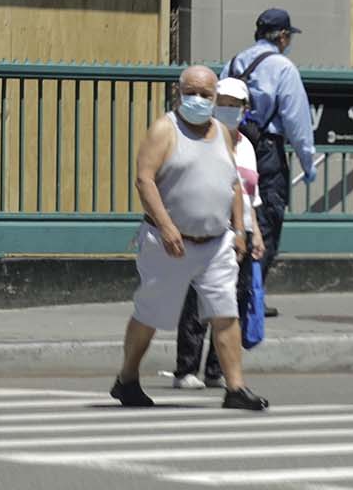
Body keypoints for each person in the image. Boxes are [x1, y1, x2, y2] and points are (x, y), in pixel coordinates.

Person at [111, 65, 269, 412]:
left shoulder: (224, 134)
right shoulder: (165, 130)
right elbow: (145, 179)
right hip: (170, 242)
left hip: (215, 243)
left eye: (205, 94)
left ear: (214, 98)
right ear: (178, 93)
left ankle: (236, 388)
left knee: (225, 312)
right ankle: (127, 379)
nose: (198, 99)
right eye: (191, 92)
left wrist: (240, 229)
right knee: (151, 313)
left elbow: (233, 186)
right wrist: (166, 226)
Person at [172, 76, 264, 388]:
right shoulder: (204, 141)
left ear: (244, 109)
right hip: (211, 230)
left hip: (242, 232)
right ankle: (186, 369)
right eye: (221, 104)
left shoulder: (247, 146)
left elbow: (250, 194)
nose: (227, 110)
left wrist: (255, 232)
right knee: (199, 302)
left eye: (234, 106)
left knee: (231, 304)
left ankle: (217, 369)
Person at [225, 8, 317, 312]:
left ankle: (231, 291)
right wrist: (308, 162)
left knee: (237, 218)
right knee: (266, 223)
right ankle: (250, 298)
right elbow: (297, 120)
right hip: (267, 152)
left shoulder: (235, 62)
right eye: (288, 36)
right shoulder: (283, 68)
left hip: (235, 145)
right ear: (282, 36)